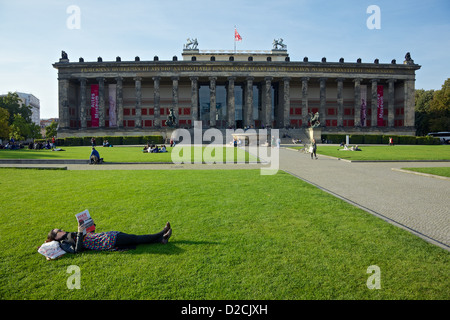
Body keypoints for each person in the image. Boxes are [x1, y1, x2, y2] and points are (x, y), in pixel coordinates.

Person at [45, 222, 172, 254]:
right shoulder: (63, 243)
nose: (62, 230)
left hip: (102, 236)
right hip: (104, 241)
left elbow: (87, 234)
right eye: (59, 231)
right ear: (56, 237)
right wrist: (79, 232)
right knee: (135, 238)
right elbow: (77, 250)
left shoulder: (67, 236)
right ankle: (162, 233)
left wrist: (90, 226)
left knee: (134, 238)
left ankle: (161, 238)